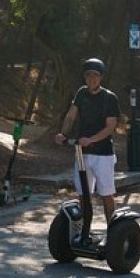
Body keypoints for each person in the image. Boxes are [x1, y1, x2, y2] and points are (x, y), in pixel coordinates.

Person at [53, 58, 121, 239]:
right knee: (83, 194)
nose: (91, 79)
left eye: (95, 76)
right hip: (82, 153)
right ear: (85, 77)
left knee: (106, 194)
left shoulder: (109, 98)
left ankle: (113, 233)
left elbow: (110, 126)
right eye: (88, 75)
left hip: (103, 154)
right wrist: (63, 134)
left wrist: (91, 139)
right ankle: (84, 232)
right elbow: (71, 115)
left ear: (101, 77)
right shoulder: (82, 93)